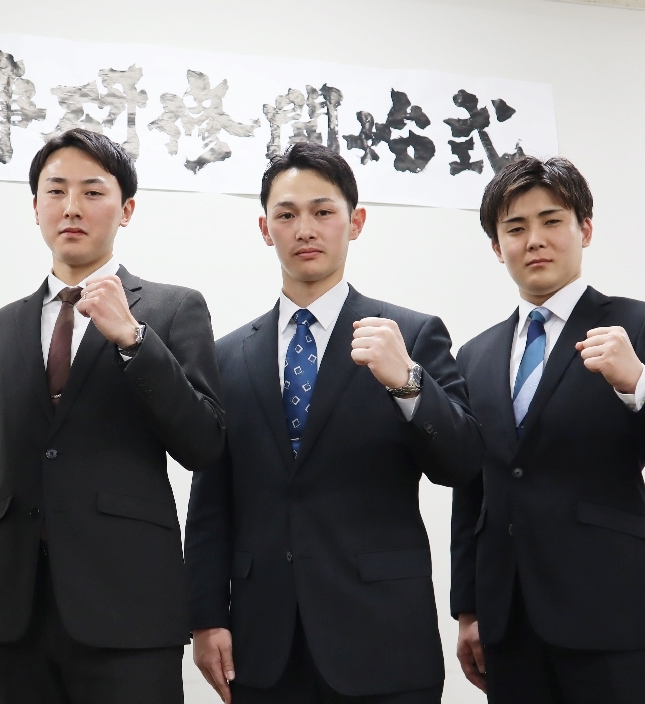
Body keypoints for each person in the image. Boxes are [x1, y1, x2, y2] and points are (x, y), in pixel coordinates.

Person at [185, 141, 482, 704]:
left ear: (355, 222)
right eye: (286, 215)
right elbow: (211, 499)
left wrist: (408, 382)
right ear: (264, 228)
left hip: (383, 637)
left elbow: (462, 462)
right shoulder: (227, 356)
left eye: (323, 211)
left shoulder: (411, 336)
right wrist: (205, 617)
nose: (305, 229)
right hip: (263, 641)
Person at [0, 128, 225, 704]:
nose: (72, 207)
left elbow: (204, 443)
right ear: (35, 207)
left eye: (92, 191)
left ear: (126, 210)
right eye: (55, 191)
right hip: (17, 613)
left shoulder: (172, 308)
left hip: (128, 606)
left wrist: (134, 340)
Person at [450, 156, 645, 704]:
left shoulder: (643, 325)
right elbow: (472, 490)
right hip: (511, 629)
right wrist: (469, 609)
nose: (534, 240)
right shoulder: (474, 355)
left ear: (585, 230)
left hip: (617, 621)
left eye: (552, 221)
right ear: (497, 247)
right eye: (515, 228)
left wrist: (638, 385)